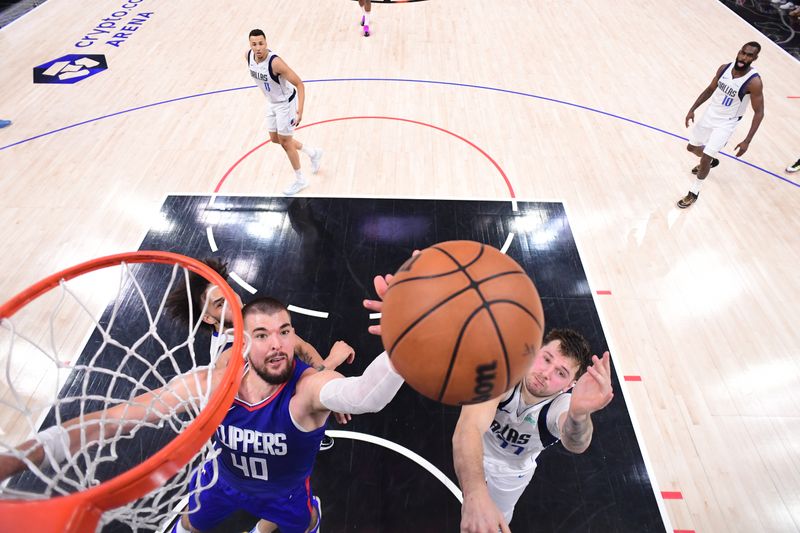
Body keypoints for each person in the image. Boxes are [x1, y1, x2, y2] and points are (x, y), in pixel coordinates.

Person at [1, 297, 405, 533]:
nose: (278, 344)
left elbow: (365, 395)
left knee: (300, 521)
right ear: (244, 343)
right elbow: (115, 419)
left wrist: (408, 339)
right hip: (223, 481)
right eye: (262, 335)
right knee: (191, 526)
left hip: (285, 492)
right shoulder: (212, 383)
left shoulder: (307, 390)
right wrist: (16, 458)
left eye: (285, 331)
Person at [452, 329, 613, 533]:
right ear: (535, 351)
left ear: (570, 385)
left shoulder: (563, 406)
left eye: (560, 373)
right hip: (477, 449)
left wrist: (579, 415)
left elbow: (576, 443)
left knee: (499, 517)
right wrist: (475, 493)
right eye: (546, 359)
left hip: (514, 470)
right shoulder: (502, 372)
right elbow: (469, 428)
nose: (546, 374)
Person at [678, 42, 765, 208]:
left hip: (726, 123)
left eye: (749, 55)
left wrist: (747, 140)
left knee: (705, 157)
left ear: (755, 58)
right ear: (739, 51)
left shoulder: (754, 82)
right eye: (743, 53)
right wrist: (692, 109)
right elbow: (710, 89)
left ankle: (694, 192)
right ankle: (709, 162)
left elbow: (759, 113)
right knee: (691, 148)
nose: (744, 57)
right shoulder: (724, 68)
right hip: (710, 115)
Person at [247, 29, 323, 196]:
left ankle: (300, 179)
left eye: (261, 43)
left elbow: (300, 84)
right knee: (275, 139)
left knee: (286, 142)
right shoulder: (248, 56)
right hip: (271, 102)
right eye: (254, 44)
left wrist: (300, 111)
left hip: (285, 104)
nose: (258, 47)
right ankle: (313, 152)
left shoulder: (275, 63)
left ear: (266, 43)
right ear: (250, 45)